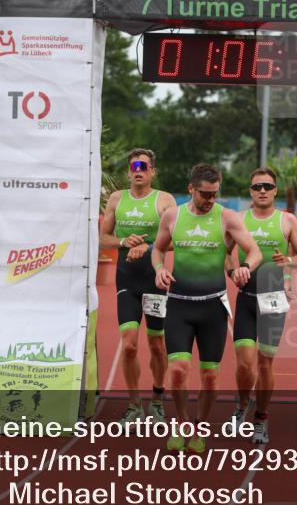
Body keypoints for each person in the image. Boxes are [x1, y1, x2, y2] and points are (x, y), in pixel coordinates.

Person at [152, 163, 262, 454]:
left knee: (210, 376)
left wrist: (245, 267)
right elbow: (158, 249)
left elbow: (255, 251)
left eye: (215, 194)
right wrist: (159, 269)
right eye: (205, 194)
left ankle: (200, 428)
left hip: (213, 307)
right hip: (179, 305)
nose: (211, 200)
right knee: (178, 370)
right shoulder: (173, 216)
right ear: (191, 189)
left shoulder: (227, 217)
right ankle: (181, 425)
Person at [226, 167, 297, 445]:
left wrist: (289, 260)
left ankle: (261, 418)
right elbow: (225, 253)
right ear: (250, 191)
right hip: (247, 298)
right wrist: (232, 272)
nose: (262, 190)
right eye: (257, 186)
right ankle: (242, 404)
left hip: (274, 299)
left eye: (267, 186)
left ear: (275, 191)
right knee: (244, 363)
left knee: (265, 363)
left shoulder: (287, 220)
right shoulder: (239, 219)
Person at [99, 148, 177, 426]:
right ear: (129, 171)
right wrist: (123, 242)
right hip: (127, 281)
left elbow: (175, 238)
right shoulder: (117, 199)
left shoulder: (164, 200)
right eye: (134, 166)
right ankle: (134, 406)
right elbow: (103, 238)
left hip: (154, 280)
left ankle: (157, 400)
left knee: (157, 345)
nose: (139, 171)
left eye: (144, 166)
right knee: (129, 345)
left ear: (152, 171)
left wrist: (148, 246)